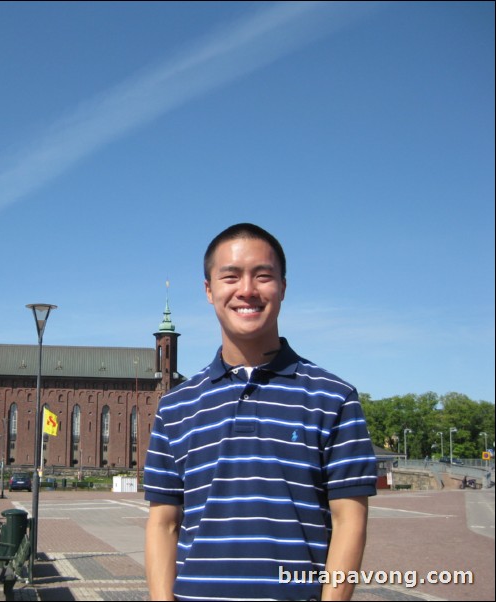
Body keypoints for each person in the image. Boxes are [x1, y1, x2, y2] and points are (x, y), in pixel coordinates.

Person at [144, 223, 377, 601]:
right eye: (230, 276)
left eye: (263, 276)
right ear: (209, 290)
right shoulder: (175, 407)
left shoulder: (335, 398)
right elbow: (163, 523)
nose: (247, 290)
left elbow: (349, 519)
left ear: (283, 287)